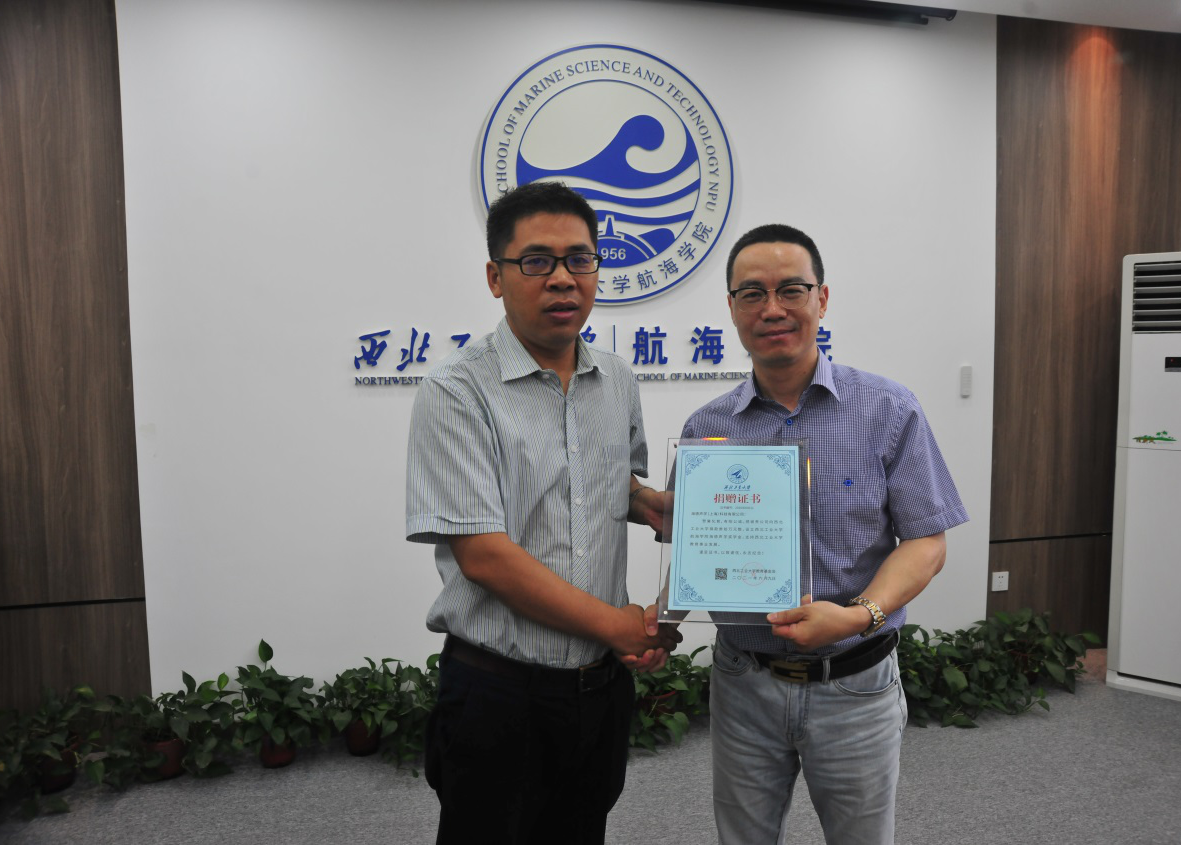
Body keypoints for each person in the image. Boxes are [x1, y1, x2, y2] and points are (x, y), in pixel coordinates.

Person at [405, 181, 677, 844]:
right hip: (499, 694)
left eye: (579, 259)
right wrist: (620, 626)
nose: (562, 278)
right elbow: (484, 555)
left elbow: (604, 483)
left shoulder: (616, 378)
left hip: (598, 691)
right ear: (495, 277)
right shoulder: (457, 389)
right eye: (537, 261)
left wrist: (657, 507)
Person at [679, 223, 969, 845]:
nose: (772, 308)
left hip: (855, 683)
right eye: (752, 293)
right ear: (731, 308)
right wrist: (664, 612)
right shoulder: (707, 427)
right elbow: (695, 549)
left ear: (822, 298)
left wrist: (859, 615)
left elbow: (927, 541)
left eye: (792, 289)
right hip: (744, 682)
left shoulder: (888, 408)